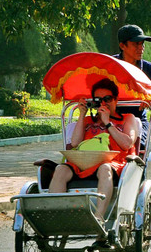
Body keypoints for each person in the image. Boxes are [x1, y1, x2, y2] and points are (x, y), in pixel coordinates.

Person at [49, 79, 138, 222]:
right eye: (98, 100)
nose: (103, 103)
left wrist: (108, 122)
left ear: (116, 99)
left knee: (104, 168)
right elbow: (75, 143)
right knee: (60, 169)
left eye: (107, 99)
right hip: (85, 161)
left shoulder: (127, 118)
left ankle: (99, 218)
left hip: (114, 163)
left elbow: (127, 144)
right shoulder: (89, 120)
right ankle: (57, 217)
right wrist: (82, 115)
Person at [114, 24, 151, 149]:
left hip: (139, 119)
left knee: (138, 147)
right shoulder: (110, 66)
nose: (141, 48)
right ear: (122, 46)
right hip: (112, 118)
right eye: (136, 44)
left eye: (142, 44)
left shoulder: (148, 68)